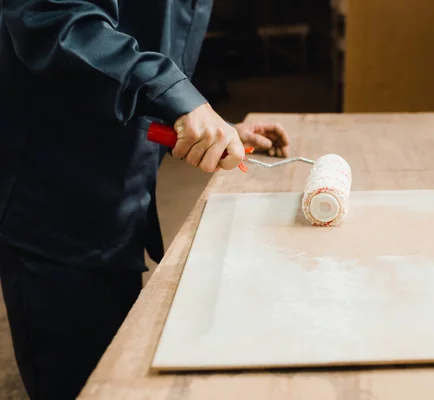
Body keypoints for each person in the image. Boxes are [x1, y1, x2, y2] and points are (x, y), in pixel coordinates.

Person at [0, 0, 290, 399]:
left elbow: (140, 51)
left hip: (122, 202)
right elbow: (58, 22)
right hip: (55, 210)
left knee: (122, 372)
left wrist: (198, 125)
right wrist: (174, 95)